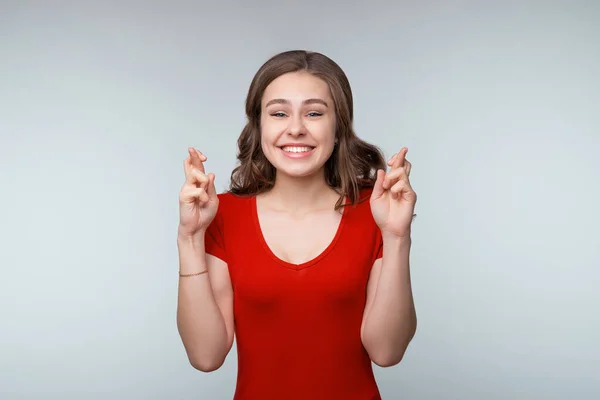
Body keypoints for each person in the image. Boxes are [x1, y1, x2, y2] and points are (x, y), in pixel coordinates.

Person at [176, 50, 417, 400]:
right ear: (259, 126)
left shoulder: (375, 213)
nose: (296, 128)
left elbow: (387, 352)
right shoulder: (222, 215)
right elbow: (206, 356)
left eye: (315, 113)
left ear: (338, 128)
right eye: (279, 113)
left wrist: (397, 236)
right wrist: (189, 238)